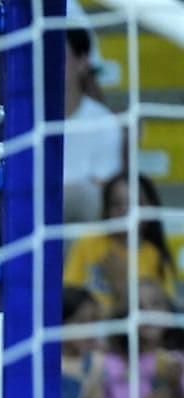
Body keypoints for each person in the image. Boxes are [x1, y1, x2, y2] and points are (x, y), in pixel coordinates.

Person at [64, 172, 180, 313]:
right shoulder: (88, 243)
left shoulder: (155, 255)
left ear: (150, 208)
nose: (126, 211)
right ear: (106, 209)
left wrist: (121, 285)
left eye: (136, 204)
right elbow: (69, 295)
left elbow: (164, 312)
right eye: (117, 204)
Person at [63, 26, 124, 224]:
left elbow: (104, 192)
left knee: (86, 196)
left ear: (83, 62)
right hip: (33, 218)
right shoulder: (26, 120)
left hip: (82, 228)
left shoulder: (104, 122)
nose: (50, 64)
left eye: (61, 57)